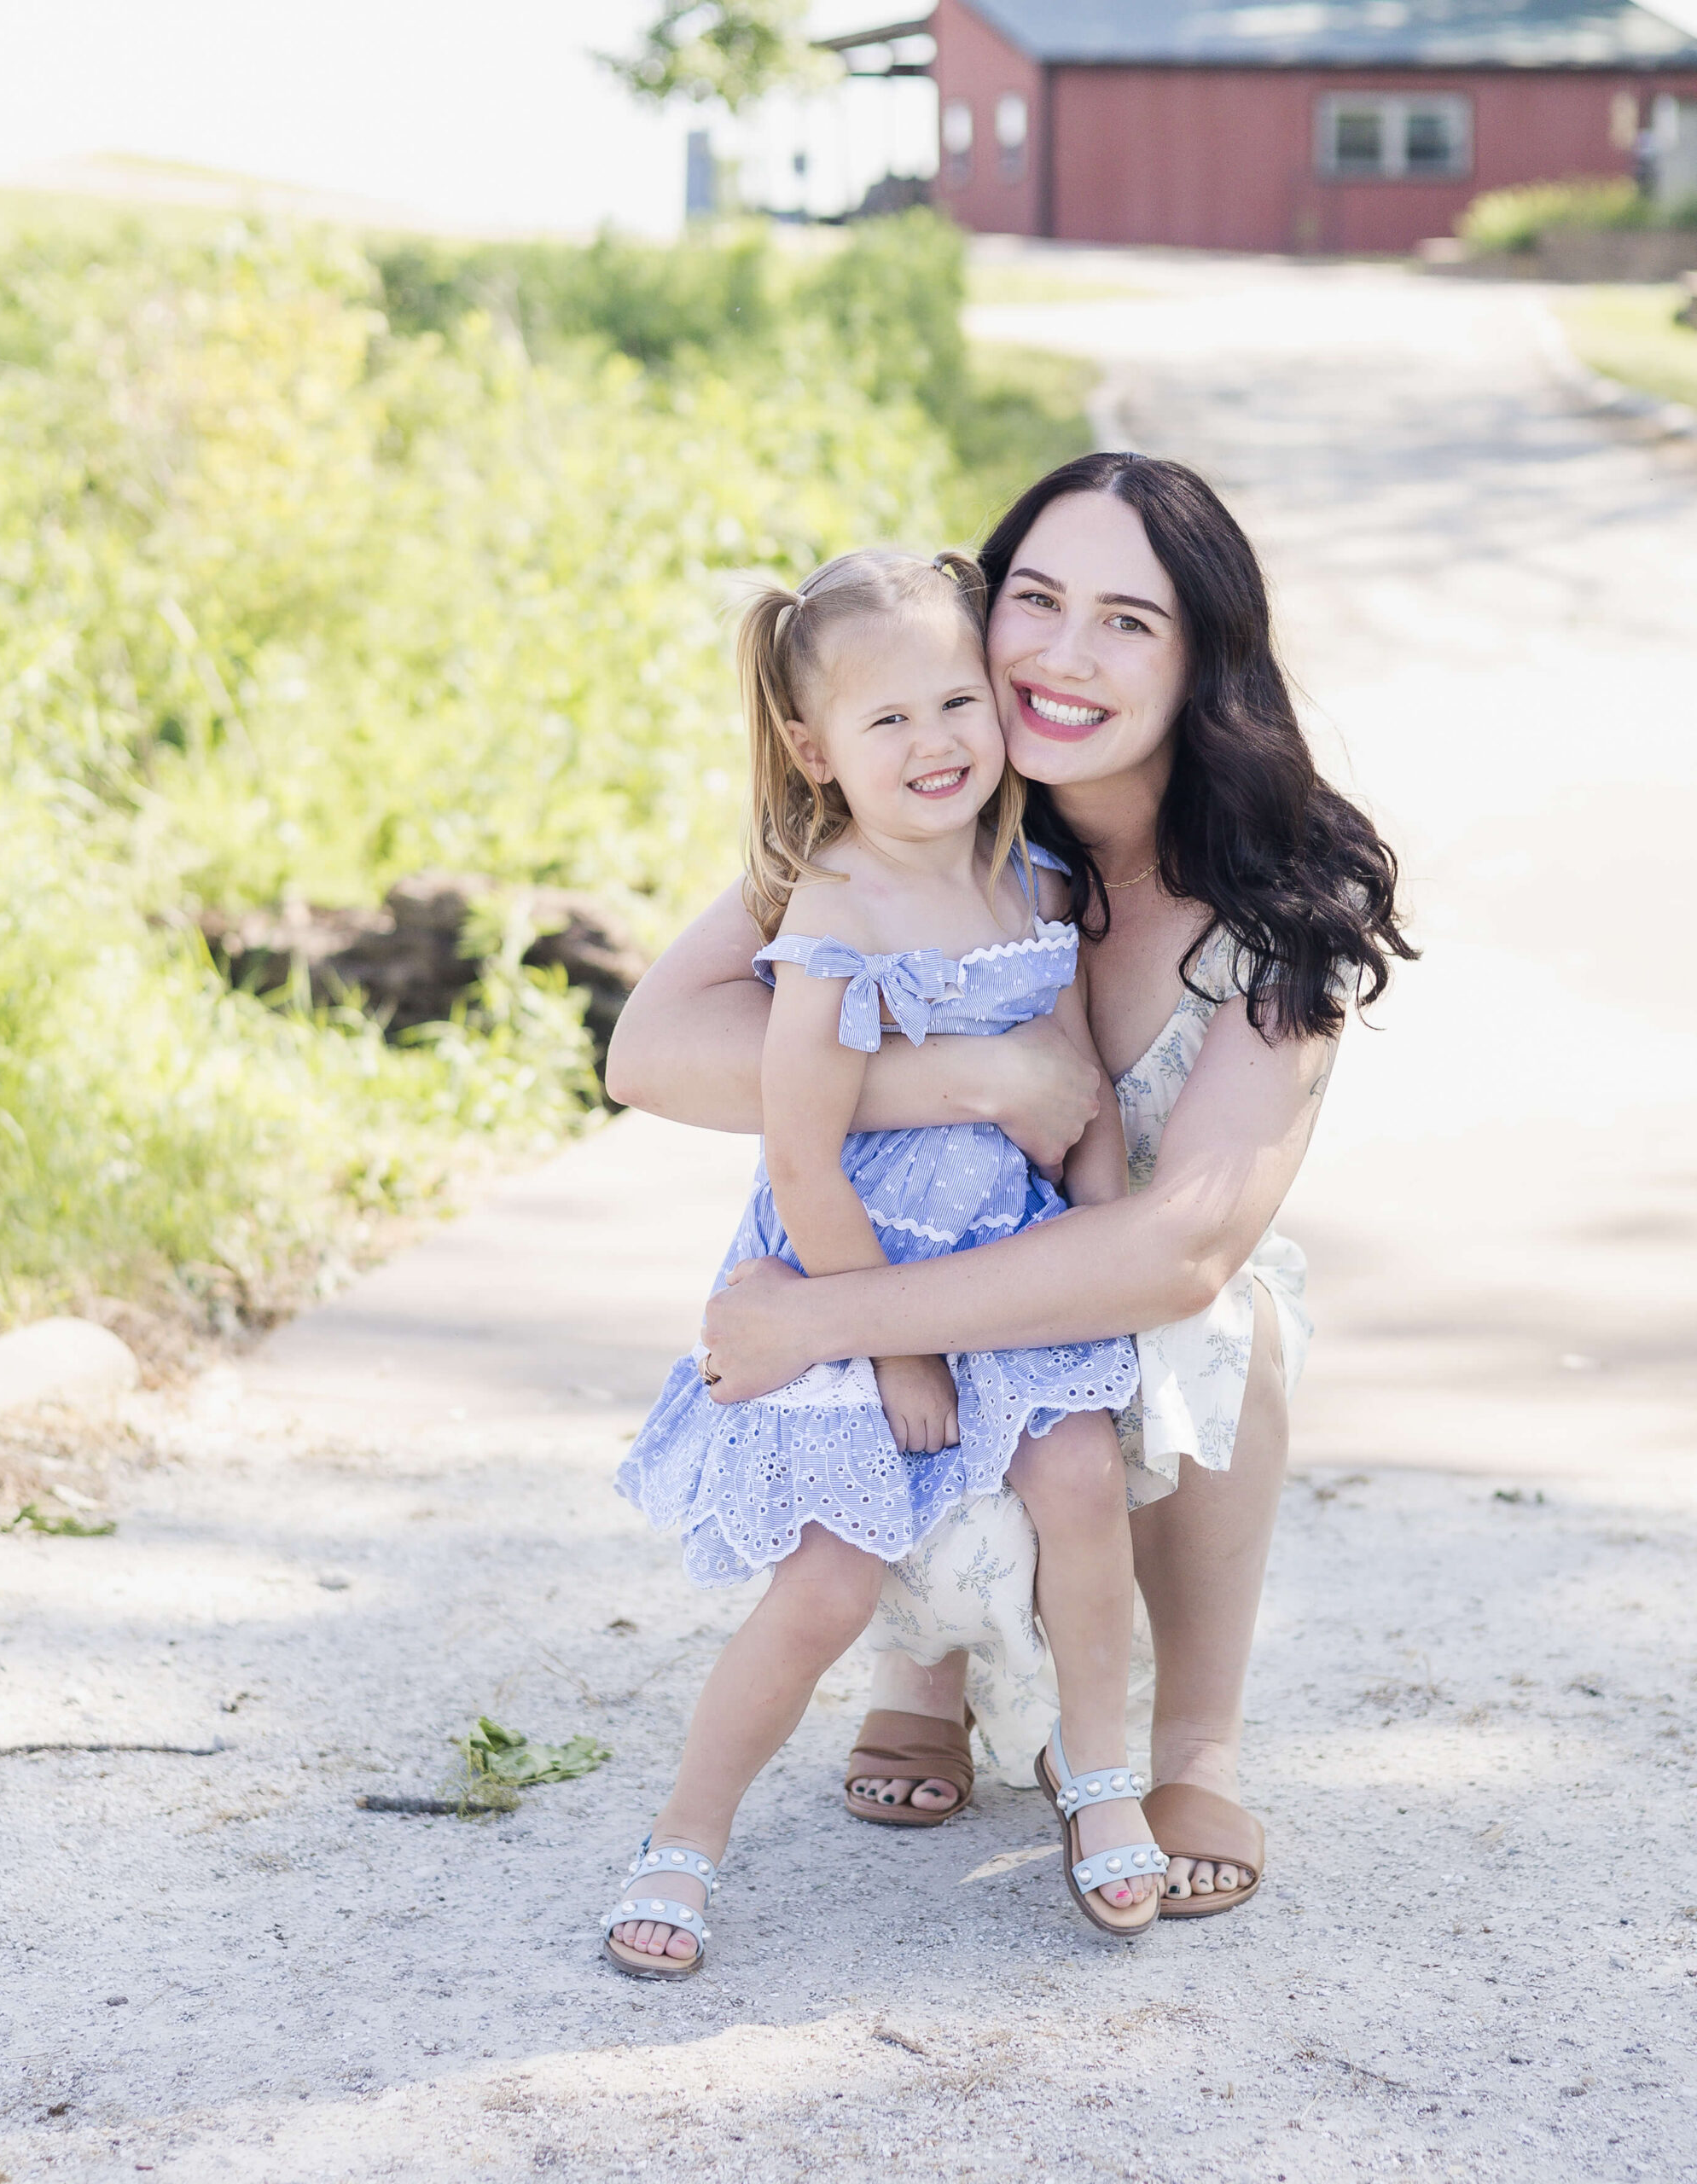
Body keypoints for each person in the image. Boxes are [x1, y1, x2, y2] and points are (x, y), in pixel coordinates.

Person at [607, 453, 1414, 1919]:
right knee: (933, 1285)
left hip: (1115, 1287)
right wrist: (969, 1080)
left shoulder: (1283, 893)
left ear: (1202, 658)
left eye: (1126, 621)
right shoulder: (927, 810)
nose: (1059, 653)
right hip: (937, 1251)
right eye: (1033, 601)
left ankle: (1192, 1742)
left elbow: (1181, 1246)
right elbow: (654, 1050)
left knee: (1238, 1327)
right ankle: (928, 1664)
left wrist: (828, 1320)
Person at [603, 545, 1168, 1981]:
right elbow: (801, 1159)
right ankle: (683, 1839)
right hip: (854, 1284)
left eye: (956, 704)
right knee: (825, 1585)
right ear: (813, 748)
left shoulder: (1036, 878)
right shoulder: (833, 913)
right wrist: (893, 1348)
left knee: (1082, 1482)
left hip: (1018, 1268)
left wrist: (1100, 1237)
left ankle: (1100, 1778)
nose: (935, 747)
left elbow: (1080, 1090)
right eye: (887, 722)